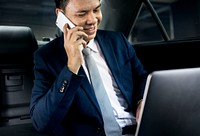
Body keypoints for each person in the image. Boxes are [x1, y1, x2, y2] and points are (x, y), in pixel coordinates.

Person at [30, 0, 147, 135]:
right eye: (82, 14)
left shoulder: (117, 41)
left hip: (139, 129)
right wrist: (71, 68)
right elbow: (41, 122)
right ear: (61, 15)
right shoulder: (47, 58)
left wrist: (141, 101)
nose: (92, 20)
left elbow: (142, 78)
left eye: (96, 10)